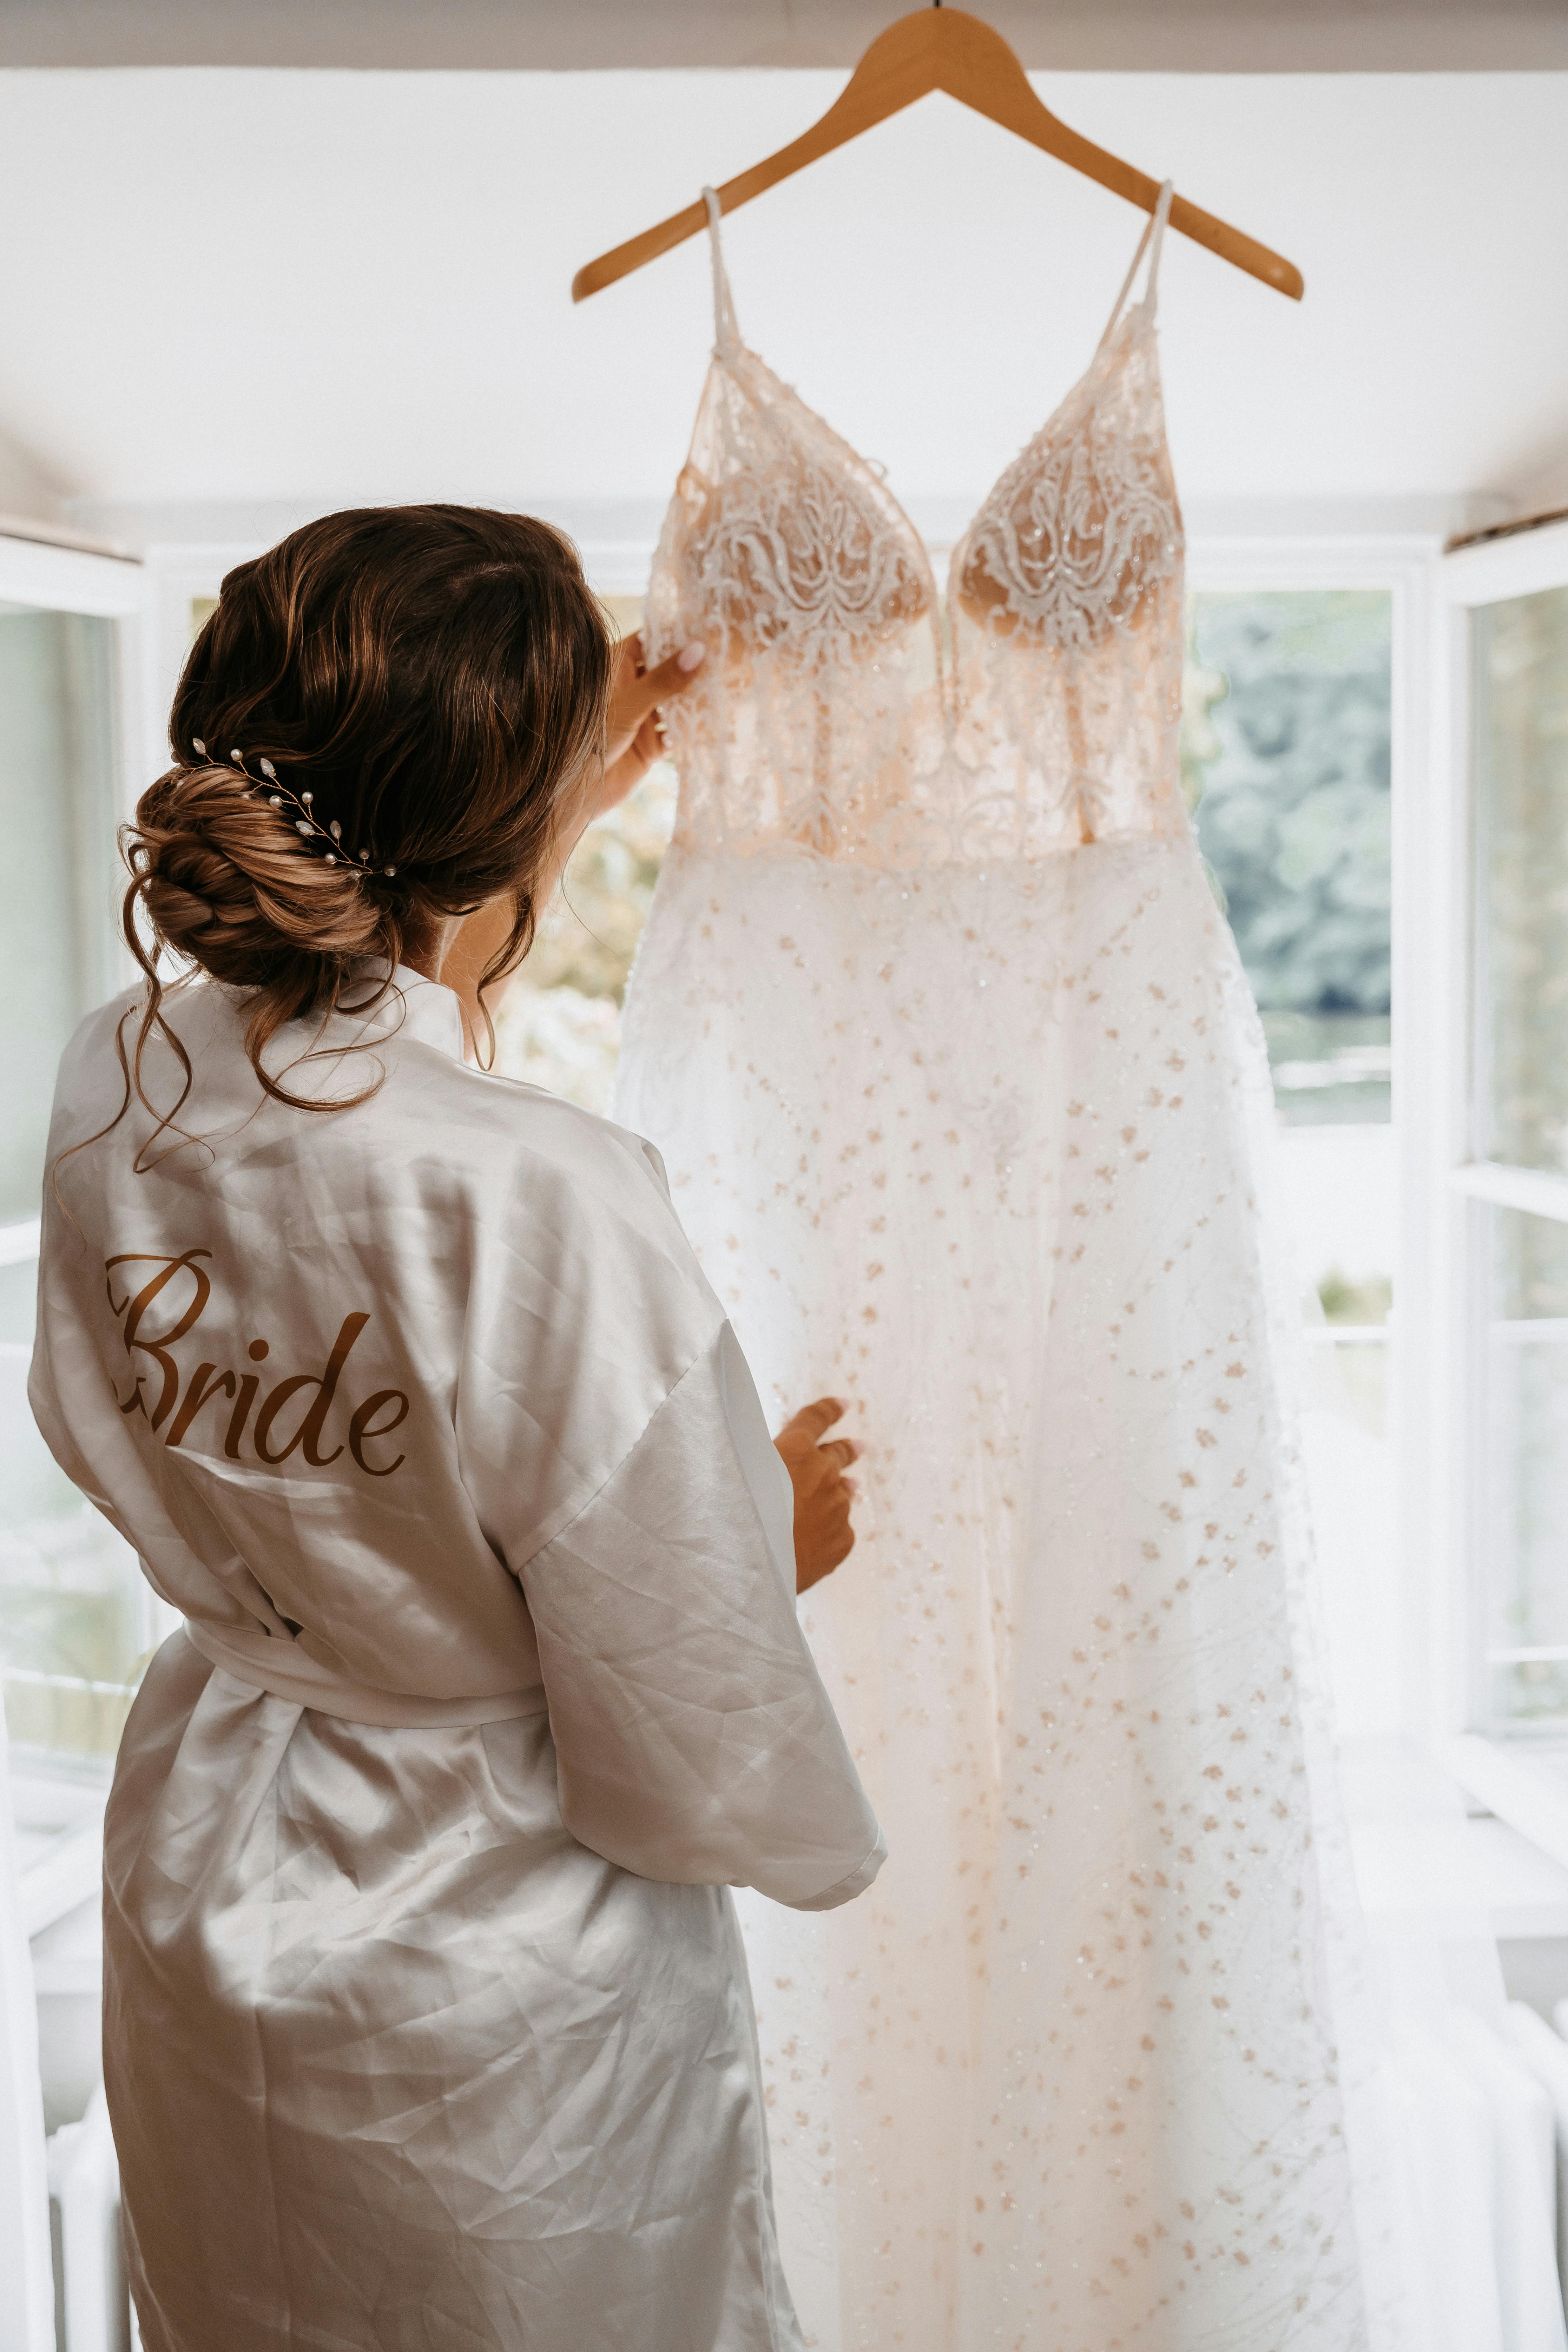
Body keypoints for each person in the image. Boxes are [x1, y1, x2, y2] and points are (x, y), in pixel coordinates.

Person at [28, 505, 883, 2352]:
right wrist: (772, 1538)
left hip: (207, 1856)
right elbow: (676, 1697)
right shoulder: (546, 1190)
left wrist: (547, 803)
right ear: (490, 826)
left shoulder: (119, 1074)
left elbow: (100, 1403)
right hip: (493, 1956)